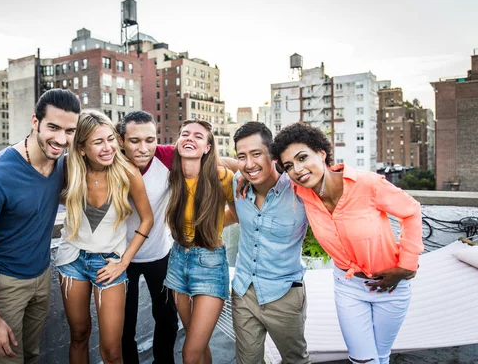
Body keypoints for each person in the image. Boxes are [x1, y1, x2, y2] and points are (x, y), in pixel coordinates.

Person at [271, 122, 424, 364]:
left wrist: (407, 265)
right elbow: (256, 169)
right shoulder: (301, 191)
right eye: (289, 166)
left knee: (381, 357)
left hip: (392, 287)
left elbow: (412, 211)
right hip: (348, 287)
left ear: (322, 153)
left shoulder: (368, 184)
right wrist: (240, 177)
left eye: (302, 158)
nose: (297, 169)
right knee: (362, 360)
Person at [0, 89, 81, 363]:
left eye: (69, 131)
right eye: (53, 127)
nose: (61, 139)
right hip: (6, 284)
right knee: (8, 360)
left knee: (32, 356)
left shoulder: (62, 165)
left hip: (42, 277)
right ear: (35, 122)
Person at [55, 110, 153, 364]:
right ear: (82, 148)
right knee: (78, 335)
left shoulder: (128, 173)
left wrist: (123, 262)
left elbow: (147, 219)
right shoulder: (68, 169)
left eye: (111, 139)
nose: (108, 147)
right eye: (98, 142)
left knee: (111, 350)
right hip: (71, 260)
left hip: (110, 264)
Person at [230, 122, 311, 364]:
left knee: (295, 360)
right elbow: (218, 161)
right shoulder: (237, 182)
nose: (249, 163)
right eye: (242, 156)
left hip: (283, 293)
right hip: (243, 291)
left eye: (256, 154)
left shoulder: (300, 191)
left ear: (273, 155)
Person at [163, 119, 236, 364]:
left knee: (190, 352)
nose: (190, 138)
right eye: (185, 134)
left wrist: (209, 226)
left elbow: (236, 213)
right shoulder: (171, 173)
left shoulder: (222, 177)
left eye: (198, 136)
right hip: (177, 260)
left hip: (210, 262)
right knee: (199, 344)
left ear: (207, 147)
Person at [116, 111, 178, 364]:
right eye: (135, 141)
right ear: (121, 141)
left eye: (150, 140)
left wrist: (242, 176)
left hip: (159, 254)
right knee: (124, 323)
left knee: (166, 318)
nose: (144, 148)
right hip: (120, 258)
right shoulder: (110, 161)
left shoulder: (166, 156)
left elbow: (214, 160)